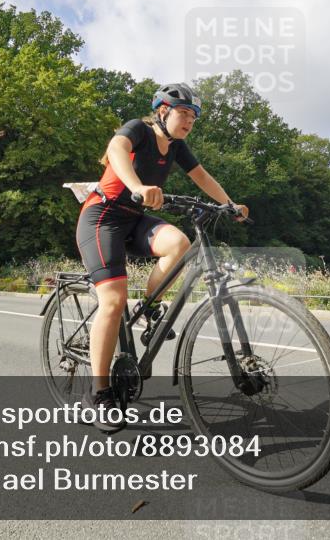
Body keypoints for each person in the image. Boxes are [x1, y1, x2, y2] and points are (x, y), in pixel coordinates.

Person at [75, 83, 248, 433]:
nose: (189, 121)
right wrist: (138, 187)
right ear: (163, 111)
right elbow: (116, 149)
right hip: (102, 218)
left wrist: (229, 204)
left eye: (193, 117)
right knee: (113, 301)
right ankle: (99, 394)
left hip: (134, 219)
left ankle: (148, 307)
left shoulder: (177, 147)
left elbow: (201, 176)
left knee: (179, 243)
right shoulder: (138, 130)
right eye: (183, 113)